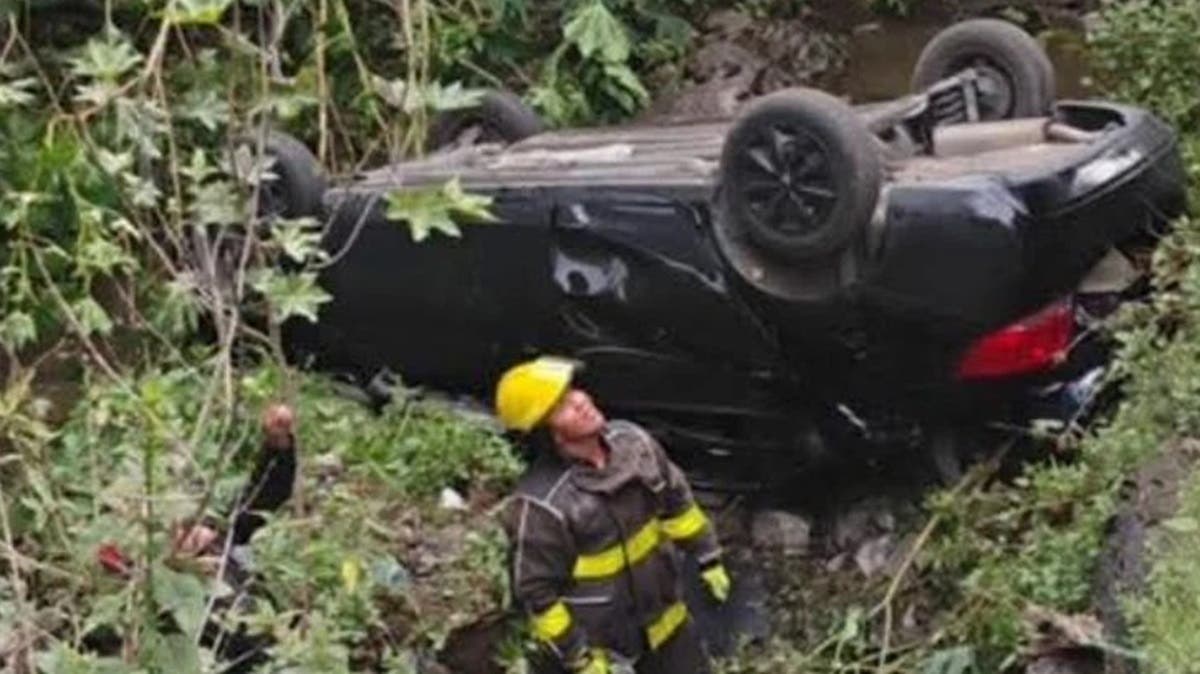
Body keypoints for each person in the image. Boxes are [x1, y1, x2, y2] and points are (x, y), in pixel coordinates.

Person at [496, 356, 731, 674]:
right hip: (607, 653)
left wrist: (708, 555)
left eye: (574, 390)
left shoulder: (635, 445)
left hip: (667, 624)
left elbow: (678, 504)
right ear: (548, 433)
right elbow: (538, 596)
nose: (579, 401)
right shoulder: (543, 505)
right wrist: (578, 658)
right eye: (561, 404)